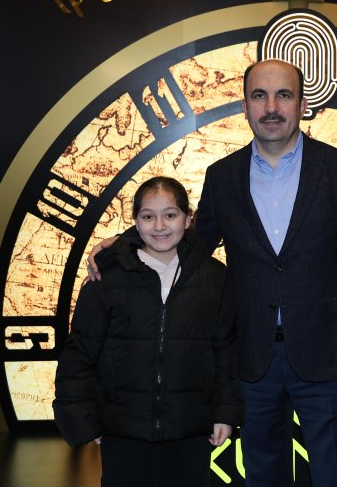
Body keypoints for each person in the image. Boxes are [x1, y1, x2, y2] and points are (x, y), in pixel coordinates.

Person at [87, 60, 337, 486]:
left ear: (302, 104)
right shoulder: (223, 176)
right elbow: (189, 243)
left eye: (283, 95)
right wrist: (124, 242)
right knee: (262, 475)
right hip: (251, 357)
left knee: (336, 476)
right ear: (245, 105)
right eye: (259, 96)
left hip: (330, 355)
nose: (271, 107)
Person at [53, 176, 244, 487]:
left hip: (190, 430)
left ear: (188, 219)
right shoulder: (107, 277)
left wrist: (225, 413)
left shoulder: (214, 277)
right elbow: (80, 352)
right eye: (148, 216)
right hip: (122, 430)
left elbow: (226, 350)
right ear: (135, 221)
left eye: (170, 214)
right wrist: (82, 417)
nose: (159, 226)